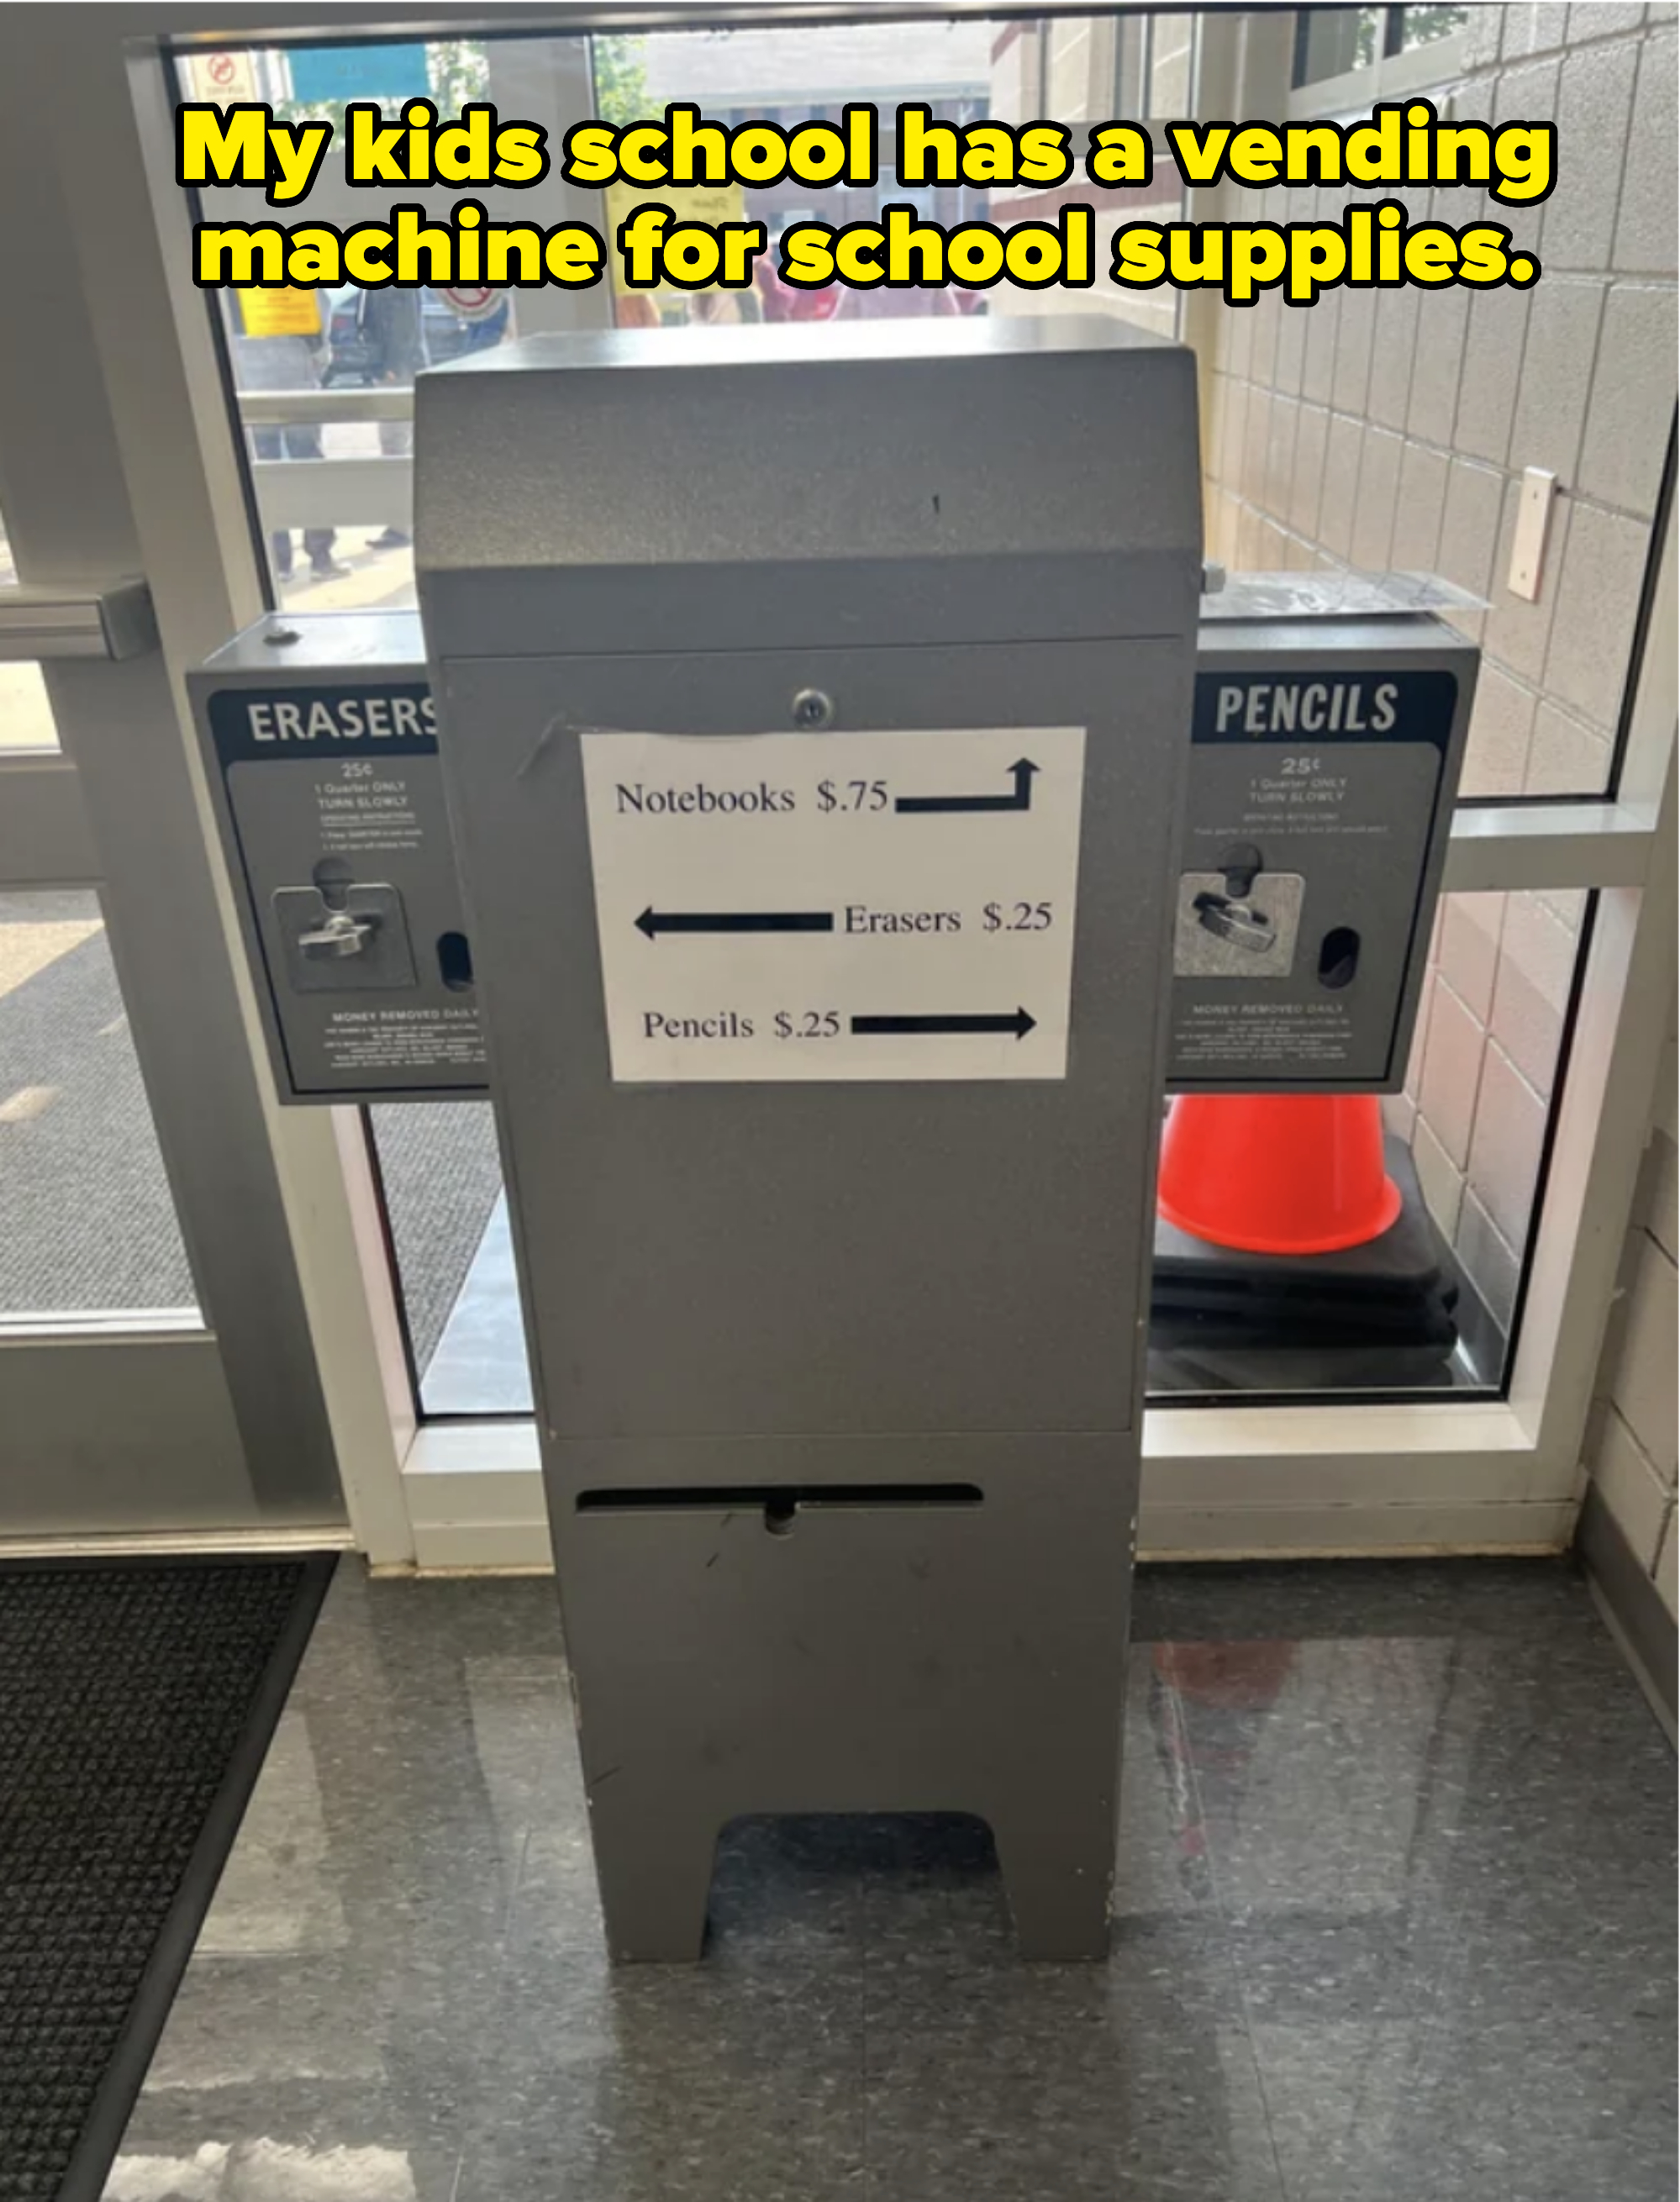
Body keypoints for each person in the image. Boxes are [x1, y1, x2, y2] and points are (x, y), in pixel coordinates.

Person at [229, 288, 345, 584]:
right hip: (294, 363)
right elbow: (320, 313)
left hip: (248, 368)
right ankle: (320, 558)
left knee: (264, 469)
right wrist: (317, 359)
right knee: (309, 466)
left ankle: (276, 563)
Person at [357, 288, 428, 551]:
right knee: (400, 444)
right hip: (396, 367)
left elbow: (403, 323)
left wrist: (392, 365)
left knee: (394, 444)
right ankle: (405, 524)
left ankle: (401, 527)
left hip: (397, 370)